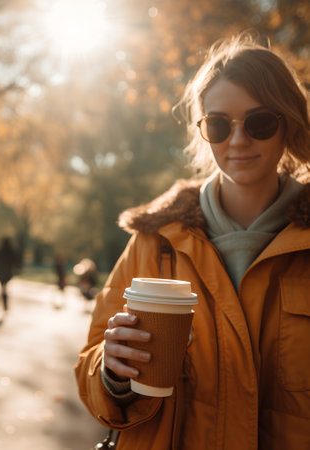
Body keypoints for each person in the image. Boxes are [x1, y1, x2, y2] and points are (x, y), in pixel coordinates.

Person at [75, 33, 309, 450]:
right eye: (219, 125)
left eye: (259, 122)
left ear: (288, 121)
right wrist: (111, 372)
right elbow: (92, 363)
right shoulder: (154, 241)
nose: (238, 141)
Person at [0, 237, 16, 312]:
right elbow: (15, 262)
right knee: (4, 288)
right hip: (7, 274)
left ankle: (4, 302)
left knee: (3, 288)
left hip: (1, 274)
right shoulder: (10, 252)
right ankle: (5, 302)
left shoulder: (1, 252)